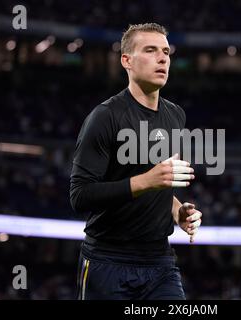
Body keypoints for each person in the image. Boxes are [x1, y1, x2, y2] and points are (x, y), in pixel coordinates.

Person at [70, 23, 203, 300]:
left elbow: (157, 184)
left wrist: (176, 210)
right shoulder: (105, 116)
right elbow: (80, 196)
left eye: (166, 51)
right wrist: (146, 181)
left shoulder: (176, 115)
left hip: (159, 262)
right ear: (126, 60)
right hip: (107, 260)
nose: (163, 58)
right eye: (151, 50)